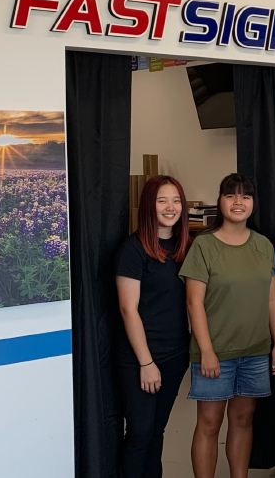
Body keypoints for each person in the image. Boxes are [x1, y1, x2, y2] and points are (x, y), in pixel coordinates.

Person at [179, 173, 275, 478]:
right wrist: (208, 352)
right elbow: (193, 303)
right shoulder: (203, 246)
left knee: (243, 420)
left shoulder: (264, 245)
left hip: (255, 352)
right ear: (220, 201)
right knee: (209, 425)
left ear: (253, 203)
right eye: (231, 195)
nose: (238, 202)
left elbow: (273, 299)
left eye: (245, 196)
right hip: (215, 353)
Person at [115, 175, 192, 478]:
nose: (171, 207)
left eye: (176, 200)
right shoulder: (132, 250)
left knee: (156, 431)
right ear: (149, 205)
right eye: (162, 200)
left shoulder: (186, 247)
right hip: (140, 358)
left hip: (175, 354)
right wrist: (146, 362)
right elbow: (127, 309)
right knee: (139, 433)